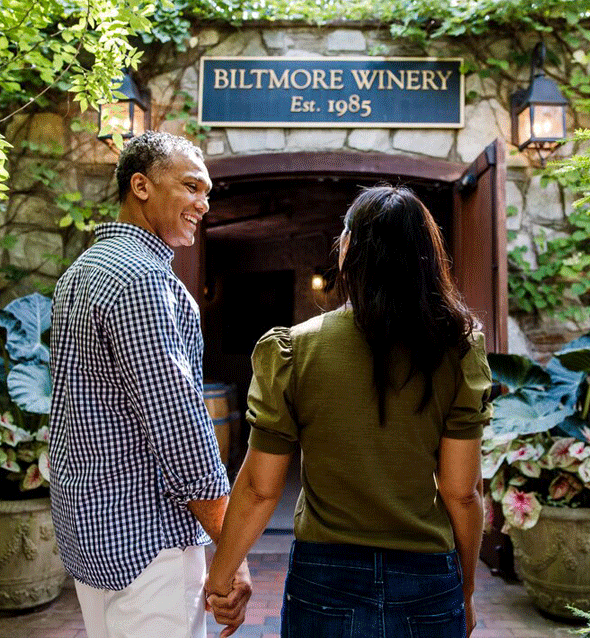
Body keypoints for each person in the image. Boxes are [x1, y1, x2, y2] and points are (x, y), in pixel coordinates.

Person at [205, 185, 492, 637]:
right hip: (427, 578)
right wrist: (467, 590)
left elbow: (261, 490)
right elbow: (462, 492)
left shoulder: (292, 350)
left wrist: (220, 577)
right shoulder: (458, 349)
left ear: (347, 252)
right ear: (426, 255)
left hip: (324, 579)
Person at [48, 131, 251, 638]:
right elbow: (181, 430)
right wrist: (230, 552)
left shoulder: (78, 273)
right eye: (190, 187)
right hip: (147, 541)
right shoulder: (143, 281)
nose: (203, 204)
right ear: (140, 185)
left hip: (90, 531)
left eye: (207, 192)